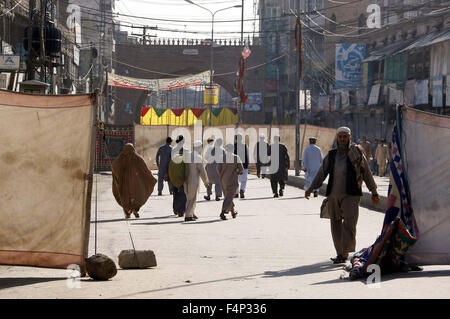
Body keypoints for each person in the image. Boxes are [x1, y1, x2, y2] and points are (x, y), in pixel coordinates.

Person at [305, 127, 379, 264]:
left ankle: (345, 251)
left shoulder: (356, 153)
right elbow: (322, 172)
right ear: (337, 138)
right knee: (335, 223)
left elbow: (366, 173)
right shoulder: (332, 155)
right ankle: (340, 252)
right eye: (340, 137)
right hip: (334, 194)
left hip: (351, 194)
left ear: (349, 138)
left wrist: (373, 191)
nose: (343, 139)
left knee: (349, 223)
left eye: (345, 136)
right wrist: (311, 187)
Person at [112, 143, 157, 219]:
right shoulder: (137, 158)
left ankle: (128, 212)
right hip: (136, 183)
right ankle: (135, 209)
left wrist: (117, 174)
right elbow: (145, 169)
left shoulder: (121, 158)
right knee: (136, 195)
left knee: (125, 197)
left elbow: (114, 165)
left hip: (125, 184)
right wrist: (149, 176)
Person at [183, 140, 210, 222]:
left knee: (189, 197)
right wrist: (206, 182)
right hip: (193, 180)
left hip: (186, 180)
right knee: (192, 198)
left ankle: (192, 213)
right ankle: (188, 215)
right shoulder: (198, 157)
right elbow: (202, 171)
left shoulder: (188, 155)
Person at [217, 143, 244, 220]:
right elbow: (241, 169)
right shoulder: (236, 157)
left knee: (228, 196)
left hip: (223, 180)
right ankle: (223, 212)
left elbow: (218, 169)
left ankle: (233, 212)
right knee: (229, 197)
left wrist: (222, 176)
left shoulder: (222, 157)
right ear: (233, 149)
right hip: (232, 180)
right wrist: (237, 172)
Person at [170, 135, 188, 217]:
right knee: (183, 194)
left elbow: (170, 163)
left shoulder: (173, 150)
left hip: (173, 174)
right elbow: (187, 165)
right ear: (183, 141)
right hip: (182, 175)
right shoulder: (186, 151)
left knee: (175, 194)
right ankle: (181, 210)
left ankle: (176, 209)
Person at [234, 133, 249, 198]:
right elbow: (247, 155)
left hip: (236, 166)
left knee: (235, 180)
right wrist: (247, 164)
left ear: (235, 139)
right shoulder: (245, 146)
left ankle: (236, 193)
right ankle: (242, 190)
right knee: (244, 180)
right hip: (244, 165)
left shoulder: (234, 146)